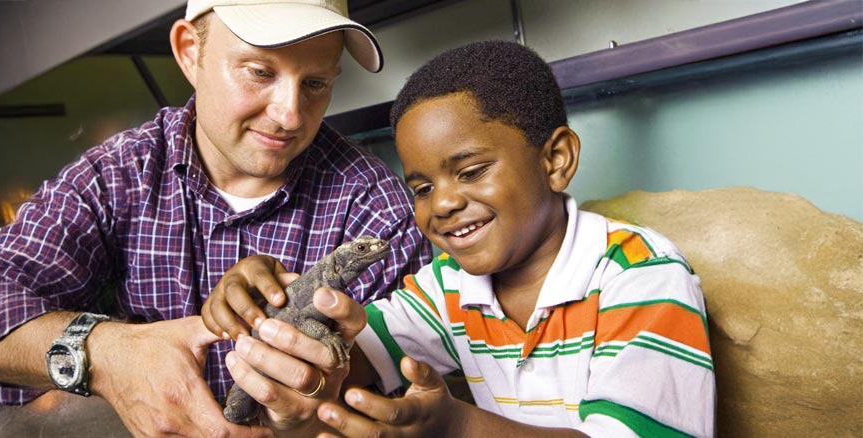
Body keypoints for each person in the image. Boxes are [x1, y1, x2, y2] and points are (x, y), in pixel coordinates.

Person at [0, 0, 431, 436]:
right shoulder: (119, 174)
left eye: (316, 83)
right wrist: (109, 353)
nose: (290, 115)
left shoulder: (375, 207)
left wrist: (323, 404)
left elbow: (418, 389)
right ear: (190, 52)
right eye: (259, 72)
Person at [208, 40, 715, 437]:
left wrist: (459, 427)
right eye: (423, 188)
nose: (443, 203)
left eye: (471, 171)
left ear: (555, 160)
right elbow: (347, 368)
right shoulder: (447, 287)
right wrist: (289, 338)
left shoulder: (641, 276)